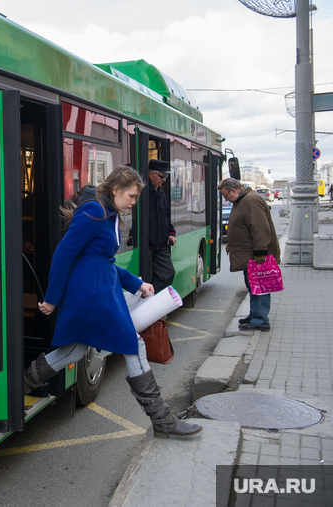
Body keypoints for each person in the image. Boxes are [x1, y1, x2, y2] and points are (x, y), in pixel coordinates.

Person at [23, 166, 202, 439]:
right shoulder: (95, 212)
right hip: (93, 296)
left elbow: (101, 260)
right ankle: (162, 420)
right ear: (116, 190)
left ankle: (18, 387)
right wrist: (52, 299)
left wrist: (137, 283)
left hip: (96, 292)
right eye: (131, 197)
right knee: (133, 344)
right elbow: (63, 256)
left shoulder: (106, 212)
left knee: (72, 352)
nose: (133, 203)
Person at [218, 178, 280, 332]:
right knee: (253, 286)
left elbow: (259, 228)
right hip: (250, 254)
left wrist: (260, 253)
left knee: (259, 287)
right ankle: (255, 315)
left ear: (233, 190)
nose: (226, 199)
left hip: (256, 255)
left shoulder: (250, 200)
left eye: (226, 195)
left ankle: (260, 320)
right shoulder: (243, 199)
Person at [146, 160, 176, 294]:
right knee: (146, 277)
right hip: (147, 245)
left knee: (168, 273)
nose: (164, 180)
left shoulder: (160, 192)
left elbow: (166, 217)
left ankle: (152, 301)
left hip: (161, 245)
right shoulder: (144, 193)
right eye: (162, 176)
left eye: (166, 177)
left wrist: (171, 232)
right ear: (151, 173)